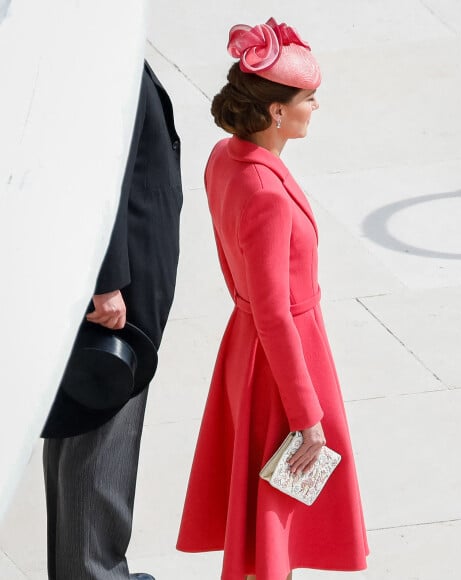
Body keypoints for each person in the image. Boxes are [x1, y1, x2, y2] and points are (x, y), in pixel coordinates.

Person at [176, 18, 368, 579]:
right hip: (282, 354)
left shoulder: (224, 156)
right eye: (309, 98)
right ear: (277, 111)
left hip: (246, 346)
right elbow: (275, 312)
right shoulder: (267, 193)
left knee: (266, 499)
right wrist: (308, 413)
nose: (315, 107)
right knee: (279, 508)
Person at [42, 60, 183, 580]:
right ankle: (93, 572)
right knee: (100, 428)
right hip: (118, 294)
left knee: (81, 421)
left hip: (119, 283)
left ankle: (83, 569)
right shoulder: (97, 51)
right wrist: (107, 280)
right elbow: (93, 170)